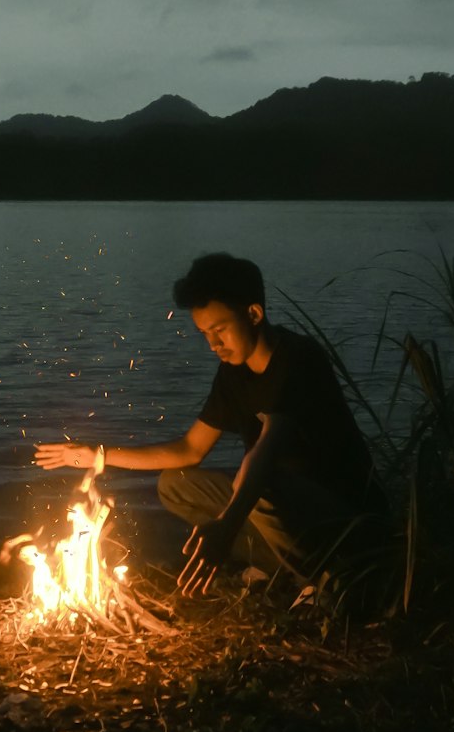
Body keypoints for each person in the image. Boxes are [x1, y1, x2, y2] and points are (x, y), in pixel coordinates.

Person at [34, 251, 385, 597]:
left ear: (253, 313)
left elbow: (264, 455)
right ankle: (287, 570)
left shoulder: (297, 359)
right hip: (290, 515)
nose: (214, 344)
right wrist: (97, 455)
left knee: (259, 483)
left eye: (220, 330)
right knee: (175, 484)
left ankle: (340, 583)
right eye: (204, 333)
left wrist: (227, 527)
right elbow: (190, 449)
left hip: (347, 522)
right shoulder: (234, 372)